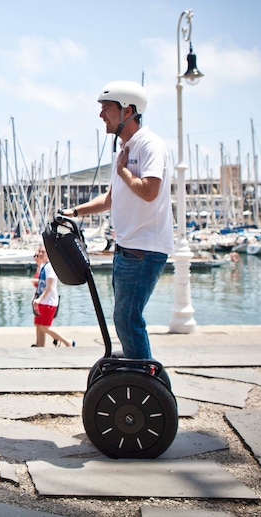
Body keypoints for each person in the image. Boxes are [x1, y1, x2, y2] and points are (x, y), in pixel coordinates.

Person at [62, 81, 172, 360]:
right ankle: (137, 375)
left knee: (128, 319)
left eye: (106, 109)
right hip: (126, 249)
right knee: (123, 319)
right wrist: (74, 212)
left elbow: (149, 191)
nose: (101, 115)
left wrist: (123, 170)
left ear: (128, 111)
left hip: (143, 249)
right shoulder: (124, 150)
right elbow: (110, 199)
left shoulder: (149, 145)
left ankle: (145, 381)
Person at [31, 246, 73, 348]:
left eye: (43, 252)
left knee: (45, 327)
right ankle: (39, 344)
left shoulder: (50, 267)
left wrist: (40, 299)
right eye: (39, 252)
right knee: (38, 325)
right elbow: (40, 283)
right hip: (41, 301)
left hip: (48, 301)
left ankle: (67, 342)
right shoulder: (43, 266)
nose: (40, 254)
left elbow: (49, 287)